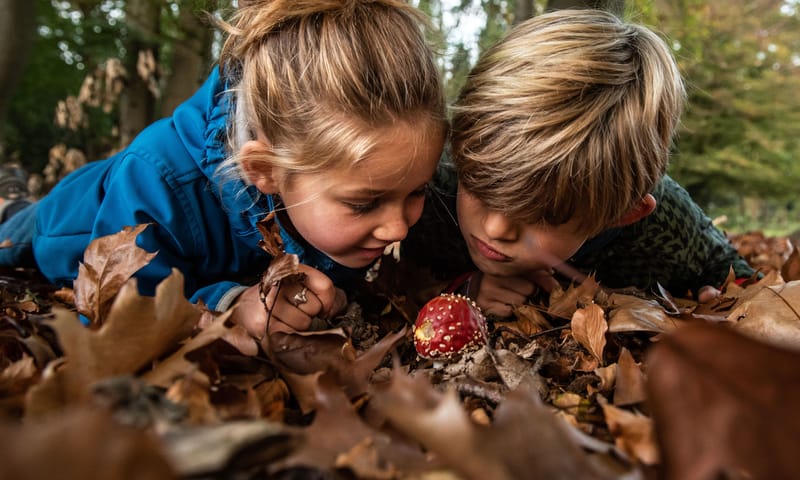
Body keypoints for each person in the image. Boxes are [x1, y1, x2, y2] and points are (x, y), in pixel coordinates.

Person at [0, 0, 447, 337]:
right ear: (265, 169)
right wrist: (229, 308)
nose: (397, 228)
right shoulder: (157, 179)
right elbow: (115, 302)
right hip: (71, 215)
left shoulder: (335, 186)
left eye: (415, 193)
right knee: (15, 228)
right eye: (364, 202)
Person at [441, 9, 755, 317]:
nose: (496, 228)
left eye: (543, 214)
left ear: (621, 214)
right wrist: (465, 290)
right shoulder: (435, 182)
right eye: (480, 186)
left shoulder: (668, 227)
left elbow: (730, 268)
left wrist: (725, 297)